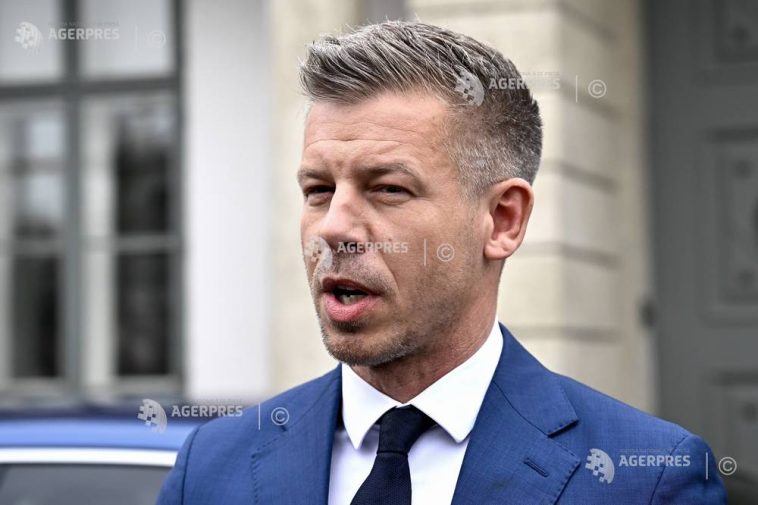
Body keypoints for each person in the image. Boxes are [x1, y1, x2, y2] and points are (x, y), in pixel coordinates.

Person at [157, 21, 727, 504]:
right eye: (318, 190)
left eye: (388, 189)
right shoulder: (211, 467)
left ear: (502, 220)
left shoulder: (648, 479)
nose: (333, 227)